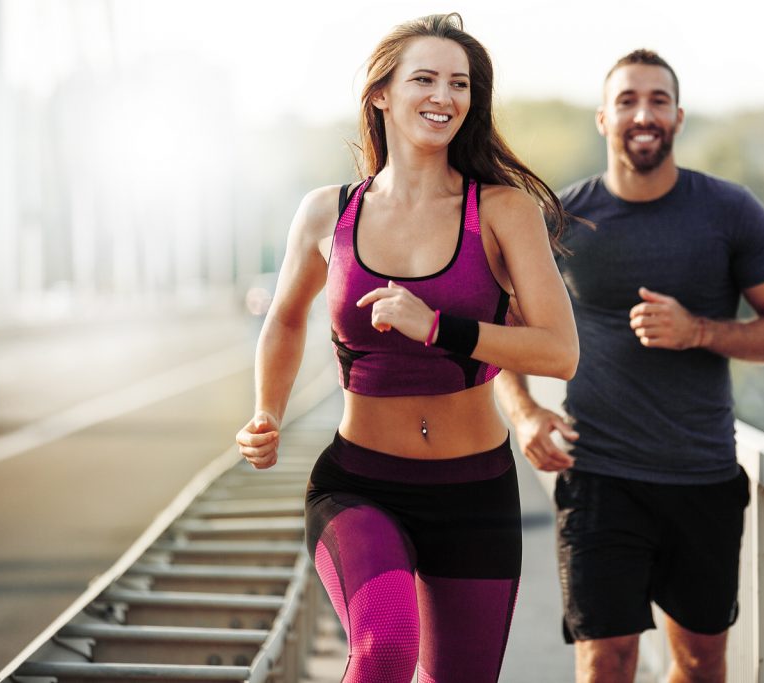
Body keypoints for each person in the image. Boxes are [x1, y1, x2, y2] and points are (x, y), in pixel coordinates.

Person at [235, 13, 578, 683]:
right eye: (424, 78)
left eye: (460, 83)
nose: (444, 97)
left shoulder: (504, 211)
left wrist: (438, 327)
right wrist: (266, 411)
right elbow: (283, 319)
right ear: (381, 94)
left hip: (474, 492)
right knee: (385, 646)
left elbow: (560, 351)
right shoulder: (326, 212)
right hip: (360, 485)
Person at [496, 49, 764, 683]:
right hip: (599, 479)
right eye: (628, 101)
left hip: (702, 477)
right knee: (605, 662)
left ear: (679, 116)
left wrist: (696, 330)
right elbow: (502, 333)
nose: (644, 113)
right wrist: (526, 412)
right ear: (602, 119)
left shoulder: (729, 211)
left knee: (698, 666)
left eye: (658, 101)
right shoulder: (562, 220)